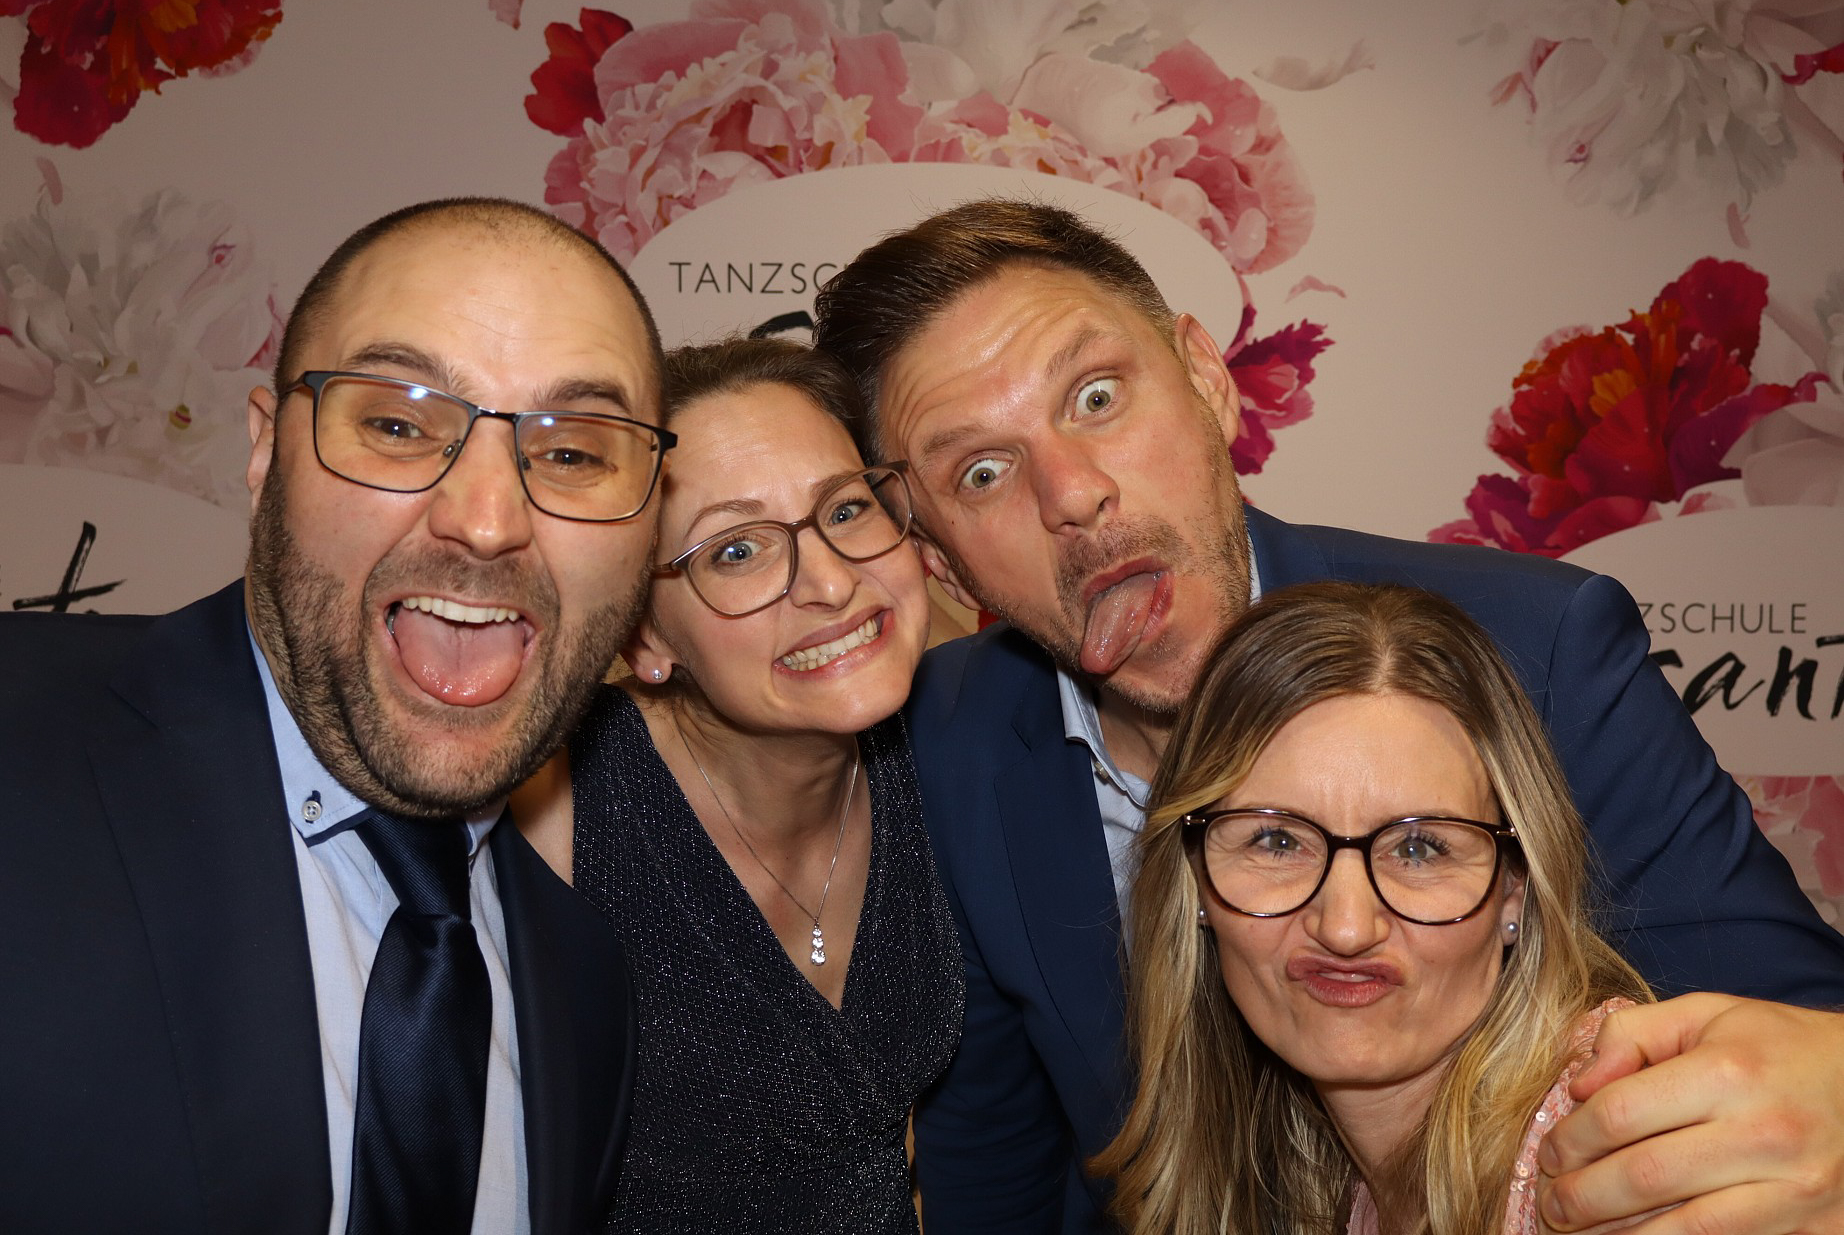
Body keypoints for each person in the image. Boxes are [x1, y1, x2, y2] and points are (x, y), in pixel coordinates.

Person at [811, 199, 1844, 1235]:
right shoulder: (947, 741)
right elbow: (998, 1169)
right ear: (943, 563)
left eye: (1095, 396)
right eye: (981, 472)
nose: (1072, 494)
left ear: (1208, 380)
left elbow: (1794, 1045)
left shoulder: (1539, 651)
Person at [0, 197, 670, 1234]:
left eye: (575, 453)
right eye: (398, 425)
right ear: (266, 451)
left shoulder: (586, 985)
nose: (487, 520)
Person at [512, 335, 963, 1232]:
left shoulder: (953, 734)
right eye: (736, 551)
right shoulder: (555, 803)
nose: (830, 582)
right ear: (643, 635)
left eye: (845, 509)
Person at [1094, 581, 1658, 1234]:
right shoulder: (1334, 1173)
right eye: (1278, 842)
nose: (1345, 927)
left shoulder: (1605, 1143)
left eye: (1418, 849)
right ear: (1194, 882)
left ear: (1515, 889)